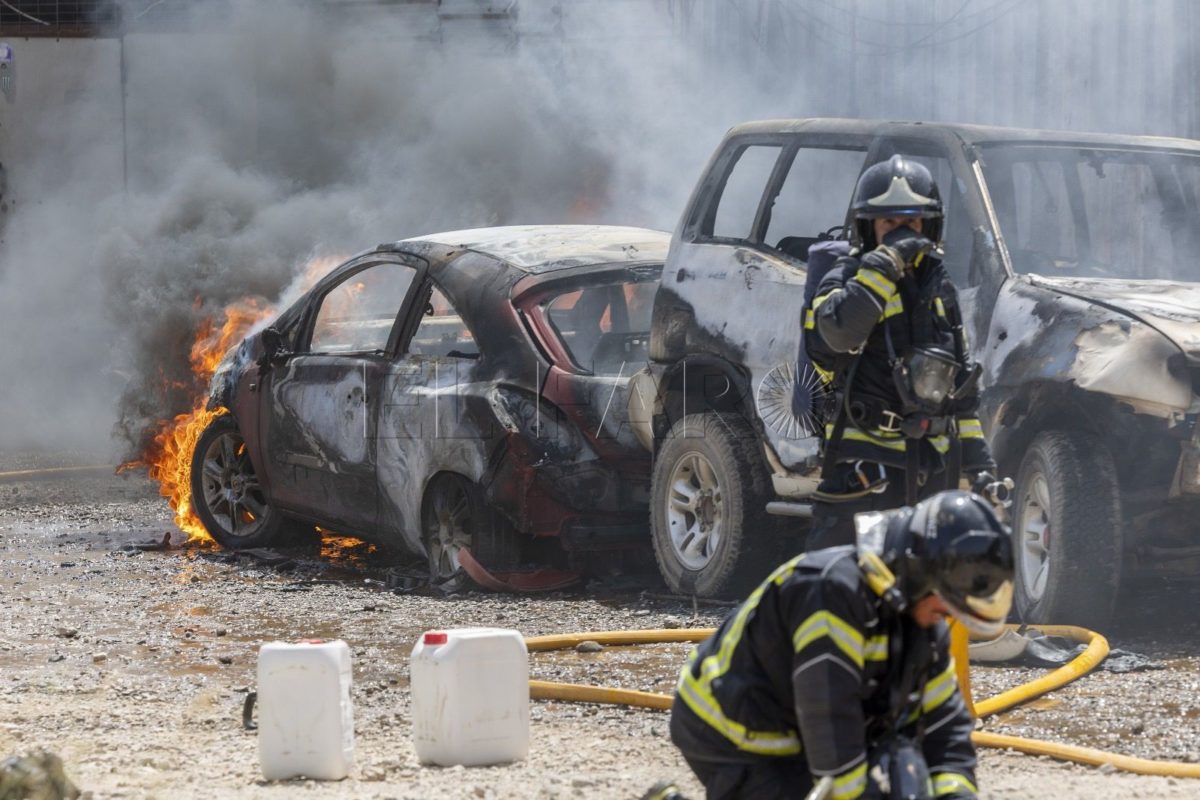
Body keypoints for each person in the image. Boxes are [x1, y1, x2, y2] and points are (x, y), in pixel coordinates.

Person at [669, 490, 1013, 800]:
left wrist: (955, 793)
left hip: (795, 728)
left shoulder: (921, 618)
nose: (945, 616)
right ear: (918, 574)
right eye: (944, 603)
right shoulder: (832, 592)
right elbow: (829, 717)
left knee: (903, 767)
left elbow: (944, 724)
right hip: (729, 731)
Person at [803, 155, 997, 551]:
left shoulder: (939, 289)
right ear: (868, 227)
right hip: (863, 476)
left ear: (929, 226)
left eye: (910, 222)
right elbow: (836, 336)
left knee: (923, 596)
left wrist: (980, 466)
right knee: (846, 589)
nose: (900, 232)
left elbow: (960, 388)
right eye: (888, 223)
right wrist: (885, 265)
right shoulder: (844, 278)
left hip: (931, 470)